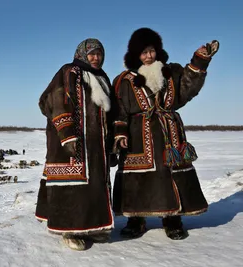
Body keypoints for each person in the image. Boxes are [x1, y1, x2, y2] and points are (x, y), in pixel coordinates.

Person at [112, 28, 219, 240]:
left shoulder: (171, 72)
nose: (149, 56)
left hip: (170, 134)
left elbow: (188, 86)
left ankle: (172, 219)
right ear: (136, 55)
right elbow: (118, 110)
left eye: (152, 51)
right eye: (144, 52)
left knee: (171, 175)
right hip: (137, 138)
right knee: (137, 179)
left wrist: (200, 60)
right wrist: (120, 133)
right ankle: (136, 219)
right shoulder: (123, 80)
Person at [35, 38, 117, 250]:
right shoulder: (70, 71)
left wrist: (112, 142)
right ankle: (69, 231)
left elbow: (110, 113)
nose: (95, 58)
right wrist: (67, 133)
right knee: (71, 187)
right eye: (91, 53)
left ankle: (93, 227)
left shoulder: (103, 78)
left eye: (99, 54)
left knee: (95, 185)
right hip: (69, 144)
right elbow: (51, 99)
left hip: (96, 146)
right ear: (82, 54)